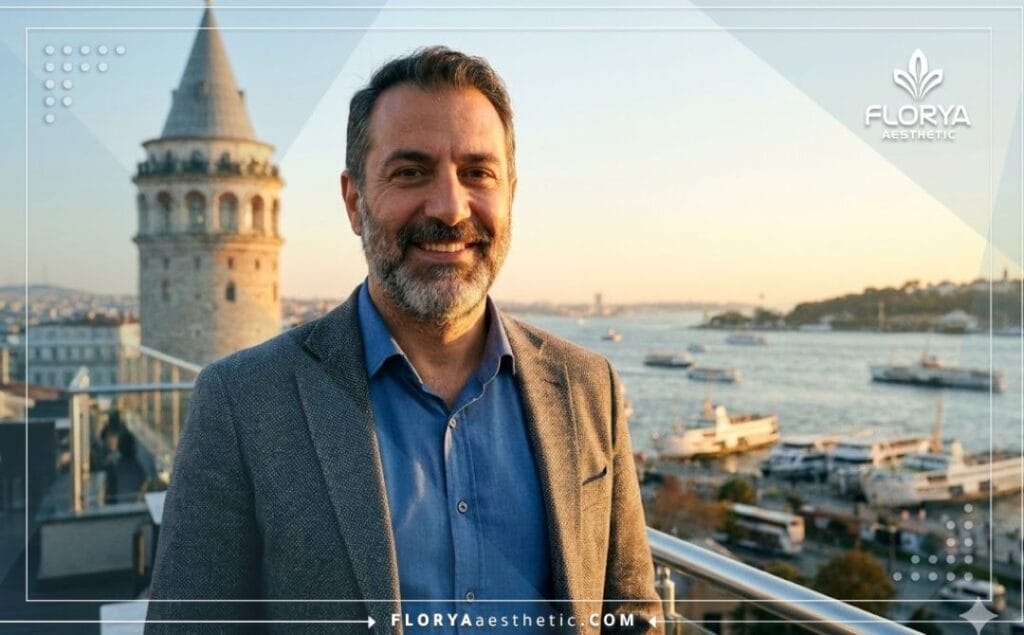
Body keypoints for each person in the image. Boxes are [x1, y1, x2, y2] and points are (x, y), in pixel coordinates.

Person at [145, 46, 662, 634]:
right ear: (354, 201)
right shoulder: (243, 402)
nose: (448, 208)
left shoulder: (588, 387)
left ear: (511, 194)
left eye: (478, 173)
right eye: (410, 172)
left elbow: (631, 614)